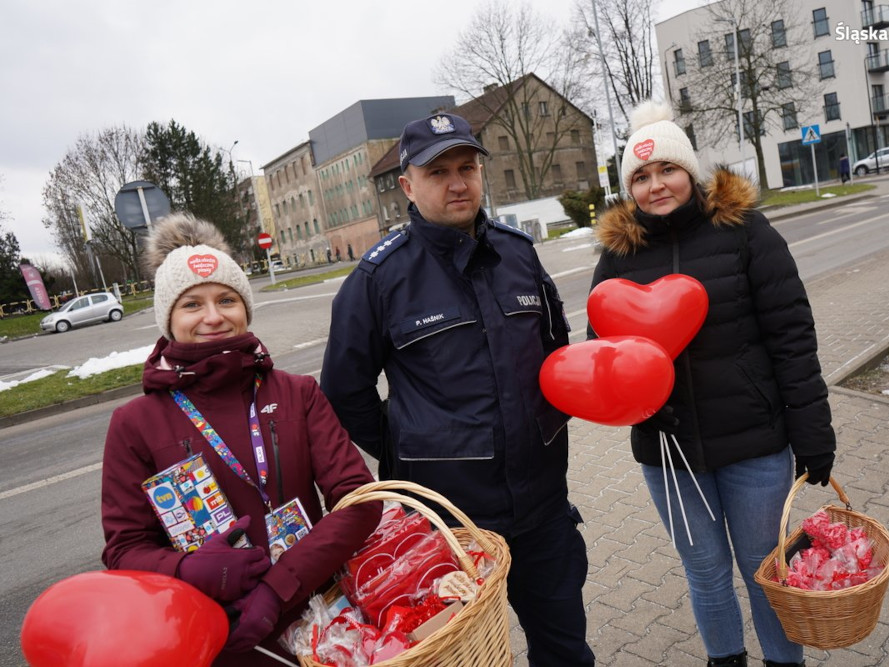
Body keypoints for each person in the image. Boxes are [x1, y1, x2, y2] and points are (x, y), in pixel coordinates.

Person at [320, 112, 594, 666]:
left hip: (541, 509)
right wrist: (412, 446)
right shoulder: (379, 278)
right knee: (464, 658)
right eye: (438, 171)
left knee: (565, 650)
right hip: (446, 528)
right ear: (407, 185)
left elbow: (553, 350)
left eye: (467, 166)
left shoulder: (518, 253)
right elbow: (343, 393)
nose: (458, 182)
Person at [589, 101, 836, 667]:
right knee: (705, 573)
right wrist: (640, 410)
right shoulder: (619, 255)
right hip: (669, 454)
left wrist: (814, 432)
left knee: (766, 572)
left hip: (754, 444)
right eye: (641, 177)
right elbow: (604, 356)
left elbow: (792, 336)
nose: (657, 186)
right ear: (630, 186)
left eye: (667, 170)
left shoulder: (744, 231)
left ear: (690, 171)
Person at [101, 213, 380, 666]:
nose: (214, 317)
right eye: (192, 304)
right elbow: (124, 550)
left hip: (325, 622)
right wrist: (185, 570)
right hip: (211, 631)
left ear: (245, 307)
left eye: (227, 299)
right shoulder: (135, 423)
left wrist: (279, 586)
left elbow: (360, 500)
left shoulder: (296, 393)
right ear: (168, 319)